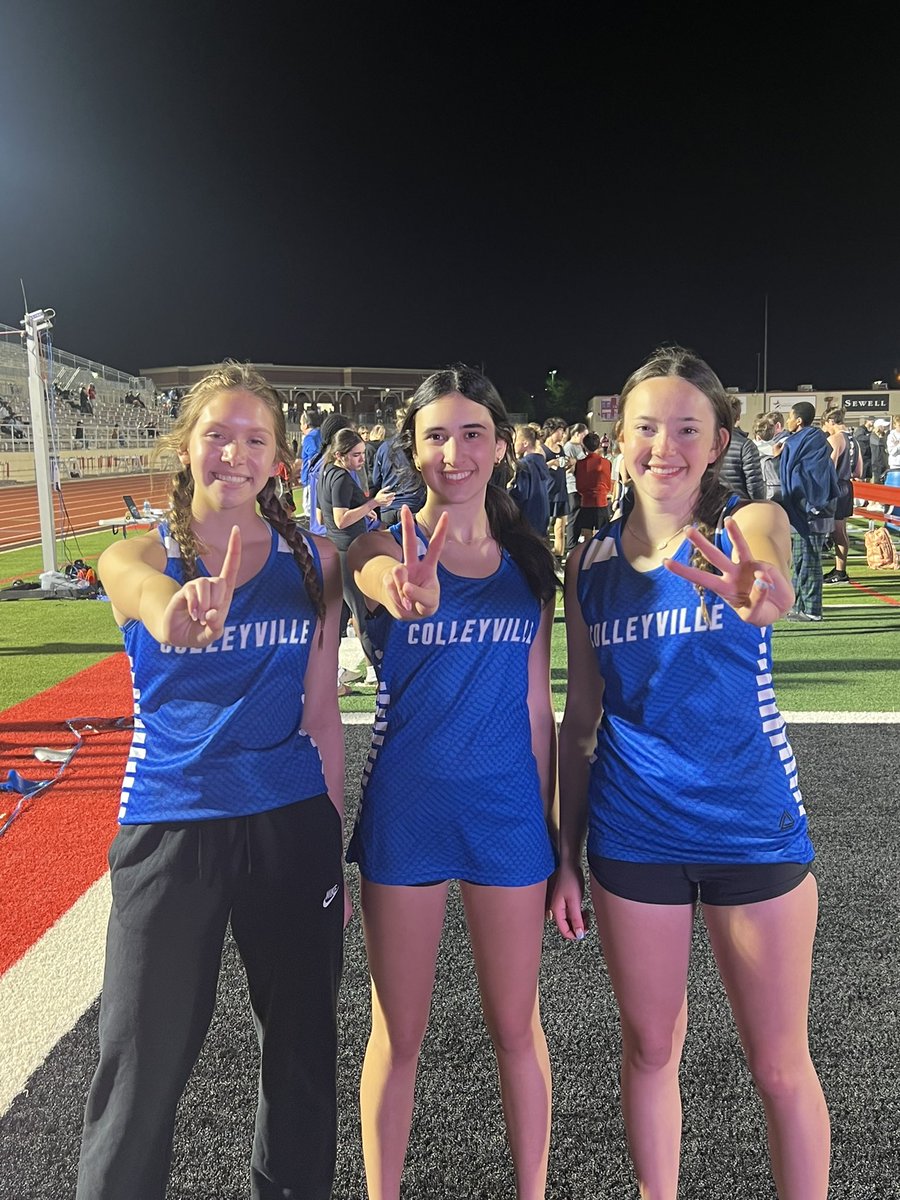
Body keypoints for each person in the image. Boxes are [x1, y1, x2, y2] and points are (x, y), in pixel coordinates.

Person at [550, 345, 830, 1200]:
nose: (662, 446)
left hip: (752, 826)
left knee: (779, 1068)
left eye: (685, 428)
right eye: (645, 427)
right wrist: (567, 854)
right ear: (619, 437)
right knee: (650, 1050)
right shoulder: (589, 563)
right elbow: (582, 721)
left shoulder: (747, 525)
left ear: (717, 442)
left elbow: (771, 573)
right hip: (635, 837)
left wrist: (765, 594)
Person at [76, 362, 348, 1200]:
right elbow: (139, 590)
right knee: (140, 1061)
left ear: (277, 460)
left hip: (291, 824)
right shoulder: (138, 553)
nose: (235, 452)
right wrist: (173, 609)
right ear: (186, 449)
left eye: (255, 439)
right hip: (172, 824)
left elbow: (323, 713)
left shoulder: (316, 559)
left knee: (303, 1057)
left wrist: (327, 841)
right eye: (217, 436)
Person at [346, 366, 560, 1200]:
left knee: (516, 1028)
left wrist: (556, 840)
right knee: (398, 1036)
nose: (455, 451)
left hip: (509, 819)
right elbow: (370, 574)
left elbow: (541, 709)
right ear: (414, 448)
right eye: (436, 434)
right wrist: (396, 586)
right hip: (408, 813)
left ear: (501, 446)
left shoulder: (531, 560)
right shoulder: (381, 547)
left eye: (473, 433)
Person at [318, 426, 395, 678]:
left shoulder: (325, 472)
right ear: (340, 455)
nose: (362, 460)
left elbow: (321, 514)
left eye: (363, 454)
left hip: (334, 548)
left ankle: (331, 670)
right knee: (362, 612)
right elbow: (340, 519)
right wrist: (374, 503)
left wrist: (364, 507)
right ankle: (376, 669)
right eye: (356, 455)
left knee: (337, 618)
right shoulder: (340, 477)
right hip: (347, 551)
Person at [779, 402, 839, 622]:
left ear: (799, 421)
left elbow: (811, 479)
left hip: (811, 511)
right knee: (799, 560)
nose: (787, 421)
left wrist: (811, 505)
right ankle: (799, 605)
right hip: (799, 510)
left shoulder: (808, 443)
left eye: (789, 417)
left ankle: (812, 610)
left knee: (810, 560)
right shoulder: (804, 441)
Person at [821, 408, 854, 583]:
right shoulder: (852, 439)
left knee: (837, 532)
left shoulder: (835, 439)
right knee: (841, 531)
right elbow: (859, 469)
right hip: (847, 485)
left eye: (825, 424)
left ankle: (840, 572)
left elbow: (829, 467)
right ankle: (840, 569)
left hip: (836, 487)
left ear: (831, 421)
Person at [509, 423, 551, 537]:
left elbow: (521, 494)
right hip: (542, 517)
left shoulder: (524, 465)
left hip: (527, 518)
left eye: (515, 440)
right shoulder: (540, 462)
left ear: (525, 443)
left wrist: (507, 493)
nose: (513, 444)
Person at [719, 397, 765, 500]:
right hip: (740, 506)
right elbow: (754, 485)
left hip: (711, 506)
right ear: (738, 417)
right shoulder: (746, 445)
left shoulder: (707, 443)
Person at [573, 431, 612, 539]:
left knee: (586, 533)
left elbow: (579, 485)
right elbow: (608, 483)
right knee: (603, 534)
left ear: (584, 446)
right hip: (602, 500)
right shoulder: (606, 463)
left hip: (586, 501)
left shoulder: (580, 464)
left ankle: (587, 553)